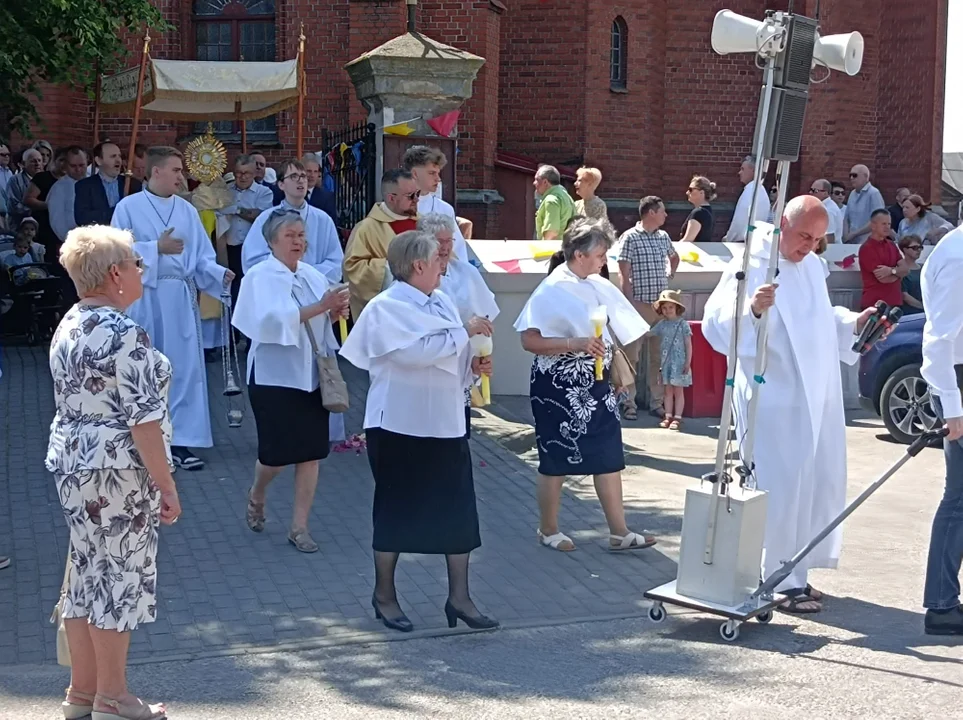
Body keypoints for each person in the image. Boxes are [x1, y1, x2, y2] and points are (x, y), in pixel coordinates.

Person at [702, 195, 880, 613]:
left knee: (813, 482)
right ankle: (775, 577)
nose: (809, 247)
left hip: (815, 393)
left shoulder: (812, 265)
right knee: (779, 488)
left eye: (817, 239)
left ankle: (797, 569)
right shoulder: (754, 259)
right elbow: (715, 323)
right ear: (783, 222)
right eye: (804, 236)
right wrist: (753, 308)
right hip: (774, 398)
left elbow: (818, 316)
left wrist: (854, 322)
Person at [49, 224, 180, 720]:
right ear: (115, 275)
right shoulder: (126, 333)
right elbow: (143, 420)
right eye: (135, 263)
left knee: (85, 575)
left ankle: (82, 693)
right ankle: (114, 696)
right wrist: (167, 485)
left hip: (72, 462)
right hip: (119, 471)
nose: (140, 270)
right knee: (118, 578)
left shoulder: (69, 322)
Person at [339, 230, 499, 633]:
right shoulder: (385, 307)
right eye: (436, 257)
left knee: (458, 507)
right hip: (398, 423)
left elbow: (450, 355)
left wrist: (472, 367)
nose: (443, 262)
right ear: (418, 266)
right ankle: (385, 596)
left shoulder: (443, 301)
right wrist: (462, 334)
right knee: (397, 508)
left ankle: (459, 597)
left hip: (445, 422)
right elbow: (412, 355)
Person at [515, 218, 657, 553]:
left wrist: (615, 376)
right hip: (558, 386)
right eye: (600, 254)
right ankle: (548, 529)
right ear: (579, 254)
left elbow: (608, 335)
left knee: (609, 453)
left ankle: (619, 531)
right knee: (557, 456)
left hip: (595, 382)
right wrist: (572, 343)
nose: (604, 260)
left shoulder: (595, 284)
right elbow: (528, 340)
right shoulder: (552, 288)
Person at [232, 209, 350, 553]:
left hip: (312, 375)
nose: (298, 241)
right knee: (276, 456)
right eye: (290, 235)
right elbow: (268, 323)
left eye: (301, 235)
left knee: (311, 453)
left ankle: (299, 527)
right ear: (271, 241)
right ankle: (257, 492)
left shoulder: (312, 274)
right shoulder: (259, 276)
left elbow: (321, 315)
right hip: (274, 377)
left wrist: (333, 311)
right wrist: (320, 307)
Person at [111, 146, 233, 471]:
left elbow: (202, 257)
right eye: (176, 170)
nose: (182, 176)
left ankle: (180, 442)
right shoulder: (128, 207)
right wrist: (154, 248)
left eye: (181, 170)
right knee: (144, 370)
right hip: (143, 297)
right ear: (156, 172)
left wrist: (220, 275)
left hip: (178, 296)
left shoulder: (187, 211)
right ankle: (145, 444)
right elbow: (115, 254)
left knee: (181, 370)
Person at [919, 224, 963, 635]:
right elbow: (938, 340)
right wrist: (952, 407)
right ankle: (941, 604)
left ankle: (943, 601)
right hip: (958, 381)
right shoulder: (958, 257)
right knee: (959, 499)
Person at [617, 195, 679, 420]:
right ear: (651, 212)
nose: (665, 215)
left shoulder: (663, 237)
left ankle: (657, 402)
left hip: (661, 308)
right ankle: (628, 402)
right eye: (662, 211)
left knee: (658, 358)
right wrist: (628, 302)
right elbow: (623, 272)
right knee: (630, 357)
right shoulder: (630, 238)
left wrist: (669, 275)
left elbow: (674, 257)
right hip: (639, 305)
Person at [242, 159, 343, 282]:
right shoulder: (266, 219)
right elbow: (252, 259)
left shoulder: (323, 219)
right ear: (281, 184)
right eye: (293, 176)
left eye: (303, 176)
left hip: (314, 288)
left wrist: (305, 274)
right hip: (277, 288)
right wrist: (285, 273)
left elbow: (336, 262)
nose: (300, 180)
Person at [342, 168, 419, 318]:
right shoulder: (366, 228)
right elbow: (353, 270)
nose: (417, 199)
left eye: (418, 194)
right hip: (389, 314)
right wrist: (389, 269)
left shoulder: (424, 224)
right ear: (391, 198)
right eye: (411, 196)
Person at [218, 154, 274, 313]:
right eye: (238, 173)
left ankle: (251, 334)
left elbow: (260, 216)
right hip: (231, 246)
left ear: (254, 173)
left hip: (253, 248)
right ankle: (233, 333)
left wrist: (236, 209)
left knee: (253, 289)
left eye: (246, 173)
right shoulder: (226, 191)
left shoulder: (264, 192)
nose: (242, 177)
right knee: (233, 289)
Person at [403, 145, 468, 261]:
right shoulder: (397, 206)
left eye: (438, 173)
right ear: (415, 174)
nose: (438, 179)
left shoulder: (444, 209)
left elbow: (458, 252)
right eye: (432, 173)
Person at [650, 289, 692, 431]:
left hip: (679, 363)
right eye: (664, 307)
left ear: (677, 308)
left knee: (678, 391)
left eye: (671, 307)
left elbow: (688, 344)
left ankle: (677, 417)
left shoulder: (683, 324)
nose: (667, 310)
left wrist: (688, 362)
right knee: (667, 391)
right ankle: (668, 416)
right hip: (666, 363)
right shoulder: (662, 324)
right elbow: (649, 333)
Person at [75, 142, 141, 227]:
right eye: (113, 156)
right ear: (99, 161)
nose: (118, 160)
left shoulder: (133, 184)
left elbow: (138, 214)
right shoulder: (85, 186)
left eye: (119, 156)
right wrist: (117, 211)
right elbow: (82, 218)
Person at [857, 209, 909, 309]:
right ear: (873, 225)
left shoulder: (892, 245)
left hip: (895, 303)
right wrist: (899, 274)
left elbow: (906, 269)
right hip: (874, 305)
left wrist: (891, 270)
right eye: (883, 224)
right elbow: (884, 279)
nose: (887, 227)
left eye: (889, 224)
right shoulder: (866, 248)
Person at [47, 146, 88, 245]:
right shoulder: (58, 188)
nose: (78, 169)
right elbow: (57, 221)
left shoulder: (93, 183)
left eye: (81, 165)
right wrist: (71, 241)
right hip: (72, 243)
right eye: (73, 166)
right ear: (65, 165)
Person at [724, 155, 770, 243]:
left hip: (741, 242)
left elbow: (740, 220)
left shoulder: (751, 191)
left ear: (753, 170)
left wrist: (729, 238)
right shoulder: (760, 190)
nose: (739, 172)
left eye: (743, 169)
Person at [842, 164, 886, 244]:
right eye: (850, 175)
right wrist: (846, 235)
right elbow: (847, 218)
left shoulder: (874, 193)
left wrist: (854, 234)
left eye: (855, 175)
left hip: (869, 242)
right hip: (851, 242)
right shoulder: (852, 194)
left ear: (865, 177)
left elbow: (877, 220)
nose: (851, 178)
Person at [533, 165, 575, 241]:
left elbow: (551, 233)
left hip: (554, 250)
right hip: (567, 247)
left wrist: (543, 250)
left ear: (545, 182)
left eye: (536, 180)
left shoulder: (551, 200)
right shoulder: (567, 197)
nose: (534, 183)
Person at [680, 175, 716, 243]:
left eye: (690, 189)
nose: (687, 192)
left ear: (701, 192)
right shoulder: (709, 211)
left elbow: (687, 240)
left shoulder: (698, 213)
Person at [898, 234, 925, 315]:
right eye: (914, 248)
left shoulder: (923, 268)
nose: (918, 250)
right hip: (908, 315)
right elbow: (905, 296)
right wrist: (923, 307)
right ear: (905, 249)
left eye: (920, 247)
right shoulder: (900, 269)